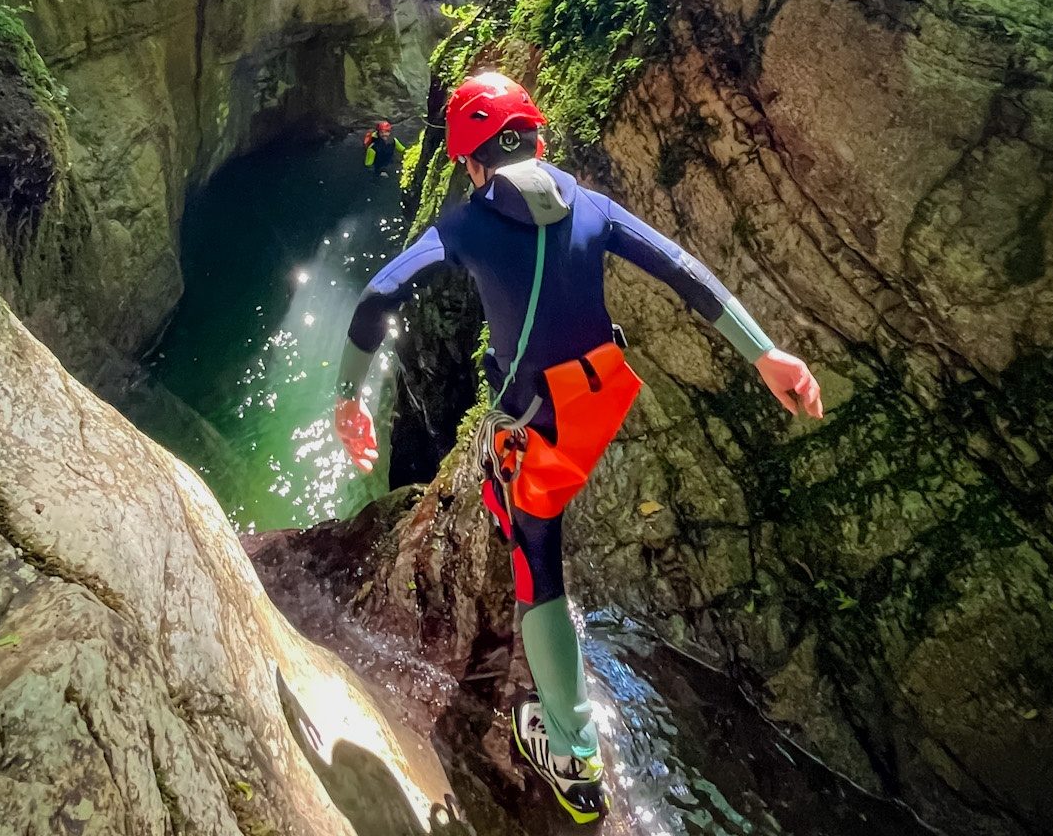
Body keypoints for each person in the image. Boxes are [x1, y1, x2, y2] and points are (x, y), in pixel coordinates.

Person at [333, 72, 823, 824]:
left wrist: (348, 397)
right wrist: (767, 354)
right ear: (539, 138)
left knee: (539, 565)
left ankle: (572, 757)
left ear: (470, 163)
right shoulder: (590, 204)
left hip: (534, 425)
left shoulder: (465, 228)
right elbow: (686, 273)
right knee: (530, 504)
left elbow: (376, 300)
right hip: (593, 407)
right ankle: (518, 520)